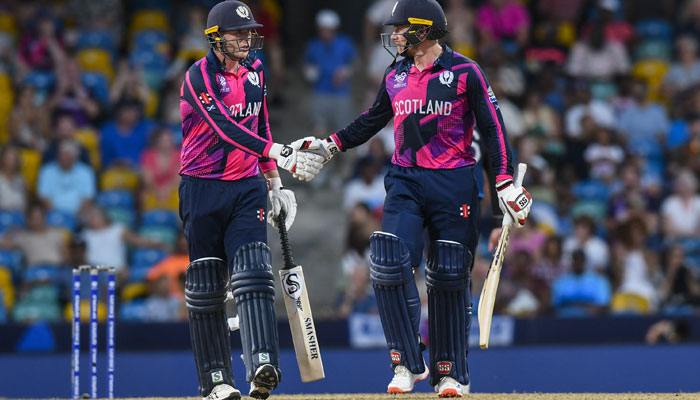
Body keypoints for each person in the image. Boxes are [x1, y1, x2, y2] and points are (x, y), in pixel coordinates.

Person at [295, 0, 532, 396]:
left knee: (450, 277)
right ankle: (406, 362)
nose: (395, 36)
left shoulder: (465, 71)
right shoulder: (396, 72)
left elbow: (493, 129)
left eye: (402, 28)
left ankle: (450, 372)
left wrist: (504, 181)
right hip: (405, 179)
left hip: (454, 182)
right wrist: (330, 145)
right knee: (388, 260)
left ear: (424, 29)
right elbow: (372, 119)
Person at [177, 2, 324, 400]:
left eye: (249, 33)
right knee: (208, 285)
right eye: (237, 34)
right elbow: (225, 128)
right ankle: (215, 381)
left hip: (246, 187)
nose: (246, 39)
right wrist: (280, 153)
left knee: (255, 271)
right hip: (202, 186)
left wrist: (275, 182)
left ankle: (262, 364)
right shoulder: (197, 77)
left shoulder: (256, 71)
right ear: (215, 38)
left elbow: (258, 123)